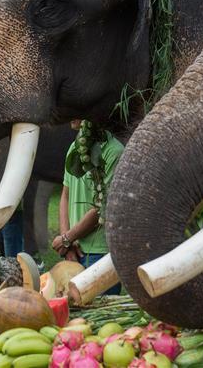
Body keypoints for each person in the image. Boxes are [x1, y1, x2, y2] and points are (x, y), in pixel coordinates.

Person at [52, 120, 123, 294]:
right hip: (74, 250)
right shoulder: (75, 148)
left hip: (101, 254)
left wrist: (67, 238)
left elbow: (102, 207)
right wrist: (66, 242)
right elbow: (65, 195)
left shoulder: (114, 151)